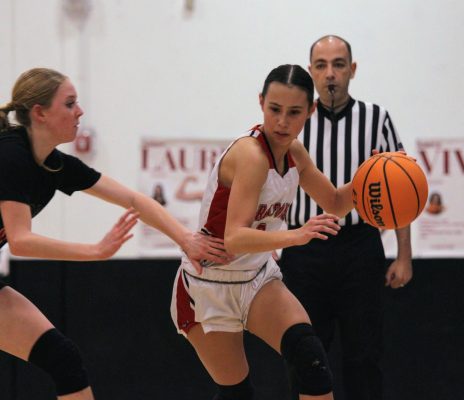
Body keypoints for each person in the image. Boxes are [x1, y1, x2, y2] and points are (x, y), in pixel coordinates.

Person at [0, 67, 232, 400]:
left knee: (63, 359)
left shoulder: (54, 165)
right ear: (40, 113)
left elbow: (134, 199)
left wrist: (185, 239)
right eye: (69, 104)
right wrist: (94, 251)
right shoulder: (11, 154)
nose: (79, 111)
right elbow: (20, 241)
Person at [170, 64, 355, 400]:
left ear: (310, 112)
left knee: (310, 358)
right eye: (275, 110)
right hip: (209, 287)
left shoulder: (295, 153)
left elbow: (336, 202)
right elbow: (235, 238)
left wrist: (371, 179)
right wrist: (297, 235)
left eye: (294, 112)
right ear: (261, 103)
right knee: (237, 393)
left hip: (256, 278)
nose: (283, 122)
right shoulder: (251, 156)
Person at [278, 35, 413, 400]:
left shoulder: (376, 118)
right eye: (321, 66)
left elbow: (401, 190)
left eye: (338, 65)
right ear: (310, 73)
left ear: (352, 70)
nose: (330, 74)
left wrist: (404, 255)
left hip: (359, 246)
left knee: (365, 354)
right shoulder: (294, 121)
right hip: (305, 248)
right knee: (304, 352)